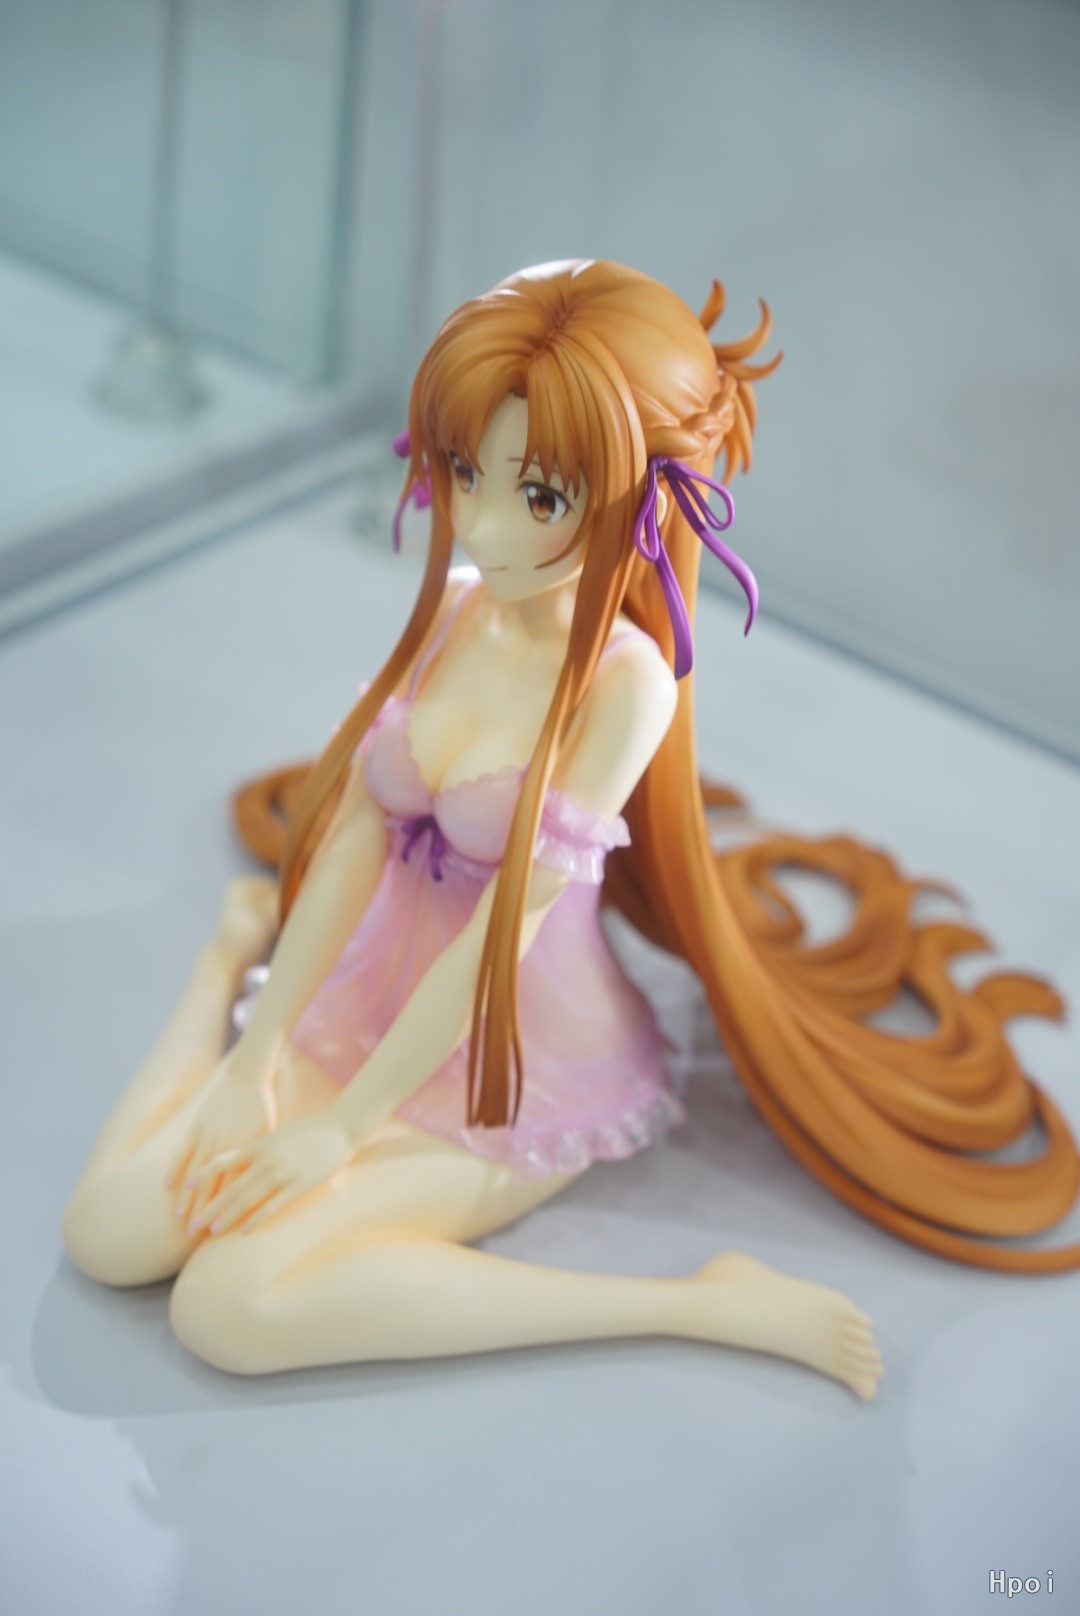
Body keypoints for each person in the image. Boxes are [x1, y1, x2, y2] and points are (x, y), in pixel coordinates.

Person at [62, 260, 1076, 1395]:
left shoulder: (624, 686)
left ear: (640, 502)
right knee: (107, 1231)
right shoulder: (458, 609)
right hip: (366, 995)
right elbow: (354, 837)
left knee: (230, 1305)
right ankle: (222, 961)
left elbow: (499, 940)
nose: (482, 524)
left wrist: (341, 1129)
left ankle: (704, 1303)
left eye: (539, 496)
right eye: (464, 471)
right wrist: (254, 1055)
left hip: (515, 1057)